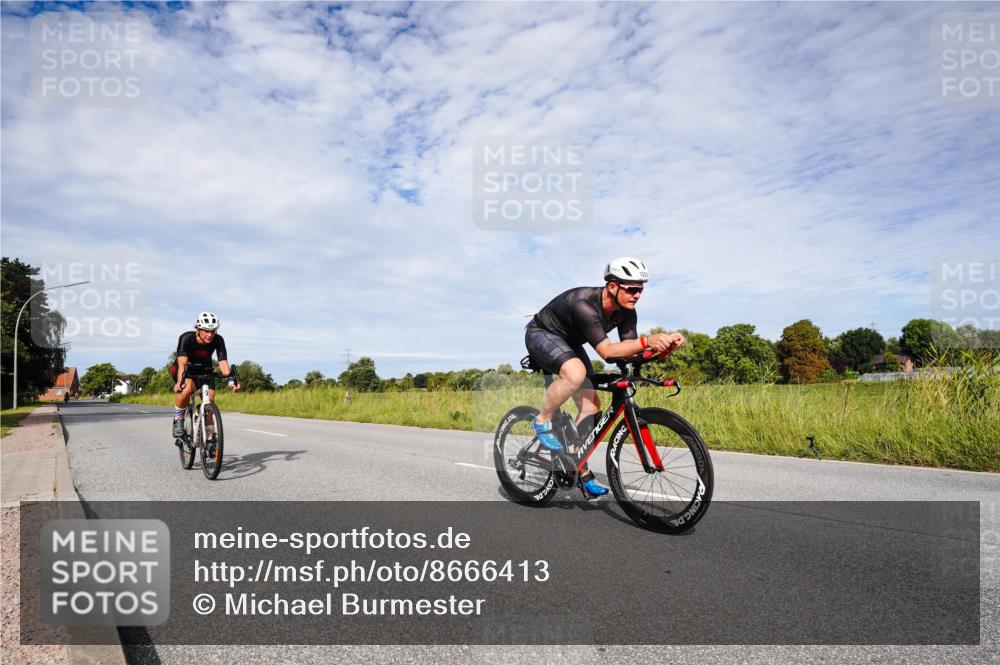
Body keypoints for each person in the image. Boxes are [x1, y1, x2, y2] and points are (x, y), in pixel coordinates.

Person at [524, 258, 685, 495]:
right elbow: (608, 353)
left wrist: (662, 348)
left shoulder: (627, 312)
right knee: (576, 373)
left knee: (591, 406)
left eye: (641, 289)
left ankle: (577, 466)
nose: (637, 294)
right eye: (631, 288)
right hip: (542, 334)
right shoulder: (584, 304)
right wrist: (647, 340)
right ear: (612, 286)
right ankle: (542, 420)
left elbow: (630, 350)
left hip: (569, 343)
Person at [171, 312, 240, 440]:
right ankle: (179, 418)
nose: (210, 335)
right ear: (198, 329)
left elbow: (223, 363)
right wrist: (179, 382)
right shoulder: (186, 338)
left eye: (213, 331)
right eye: (206, 331)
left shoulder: (218, 340)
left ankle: (209, 437)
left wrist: (231, 382)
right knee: (187, 389)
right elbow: (182, 364)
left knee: (210, 399)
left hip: (205, 369)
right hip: (186, 369)